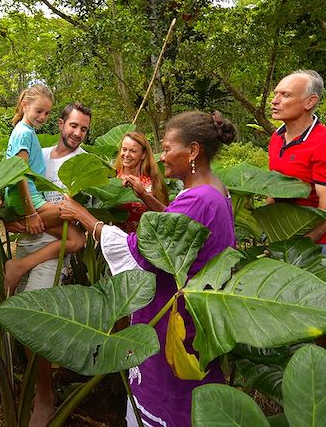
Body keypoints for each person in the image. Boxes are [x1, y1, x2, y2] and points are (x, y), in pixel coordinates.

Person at [59, 111, 236, 427]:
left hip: (175, 318)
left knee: (168, 398)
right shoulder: (212, 190)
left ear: (193, 150)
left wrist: (81, 215)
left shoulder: (196, 200)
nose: (163, 157)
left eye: (168, 148)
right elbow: (176, 224)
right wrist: (145, 197)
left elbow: (137, 250)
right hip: (199, 313)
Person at [8, 101, 92, 427]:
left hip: (54, 251)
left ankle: (44, 395)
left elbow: (78, 223)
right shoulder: (37, 152)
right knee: (19, 322)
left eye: (84, 129)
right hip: (28, 237)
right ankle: (31, 383)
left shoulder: (85, 163)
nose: (78, 133)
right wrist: (18, 222)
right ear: (60, 124)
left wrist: (33, 219)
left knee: (35, 324)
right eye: (73, 126)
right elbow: (18, 196)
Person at [267, 69, 326, 364]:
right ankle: (313, 373)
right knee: (305, 310)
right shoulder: (277, 139)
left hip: (325, 242)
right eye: (276, 93)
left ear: (310, 102)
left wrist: (301, 248)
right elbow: (273, 189)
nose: (275, 100)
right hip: (289, 239)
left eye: (285, 95)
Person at [3, 84, 85, 294]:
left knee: (77, 239)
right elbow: (19, 173)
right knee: (71, 219)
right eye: (39, 111)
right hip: (29, 200)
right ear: (24, 105)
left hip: (32, 202)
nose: (42, 116)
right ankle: (17, 263)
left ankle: (19, 265)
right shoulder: (24, 134)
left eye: (46, 112)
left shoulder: (28, 133)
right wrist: (30, 213)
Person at [112, 131, 169, 232]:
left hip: (147, 241)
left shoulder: (154, 182)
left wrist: (144, 194)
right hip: (117, 242)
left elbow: (166, 215)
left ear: (143, 155)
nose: (126, 154)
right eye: (124, 149)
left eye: (133, 151)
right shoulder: (112, 177)